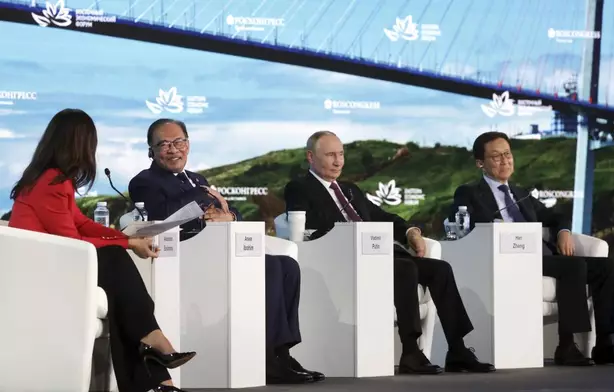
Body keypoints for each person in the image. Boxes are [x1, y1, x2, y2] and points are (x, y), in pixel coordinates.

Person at [8, 109, 196, 392]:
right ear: (79, 144)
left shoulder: (55, 179)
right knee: (113, 258)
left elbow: (81, 223)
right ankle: (154, 347)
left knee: (121, 300)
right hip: (41, 270)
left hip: (55, 262)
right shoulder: (50, 182)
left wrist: (124, 238)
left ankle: (156, 375)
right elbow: (72, 240)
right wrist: (127, 243)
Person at [128, 119, 324, 384]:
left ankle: (281, 352)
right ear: (151, 150)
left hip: (219, 252)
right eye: (164, 144)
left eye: (179, 142)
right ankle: (270, 358)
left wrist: (229, 215)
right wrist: (204, 198)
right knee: (269, 268)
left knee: (286, 266)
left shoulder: (198, 179)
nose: (173, 149)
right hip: (185, 258)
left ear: (188, 145)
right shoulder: (144, 181)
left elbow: (228, 210)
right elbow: (164, 214)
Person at [283, 130, 495, 375]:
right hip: (345, 259)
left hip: (380, 255)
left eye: (341, 154)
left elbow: (383, 217)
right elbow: (309, 232)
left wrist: (411, 232)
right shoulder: (299, 188)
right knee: (406, 268)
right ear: (311, 156)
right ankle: (410, 351)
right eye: (330, 155)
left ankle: (457, 349)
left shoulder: (350, 189)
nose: (338, 161)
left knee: (440, 269)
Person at [452, 131, 614, 366]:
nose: (505, 160)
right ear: (480, 163)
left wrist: (563, 232)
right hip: (507, 258)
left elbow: (556, 216)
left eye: (508, 154)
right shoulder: (469, 193)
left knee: (605, 267)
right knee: (572, 266)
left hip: (539, 255)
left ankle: (604, 344)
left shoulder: (520, 194)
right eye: (496, 156)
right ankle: (566, 345)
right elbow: (462, 228)